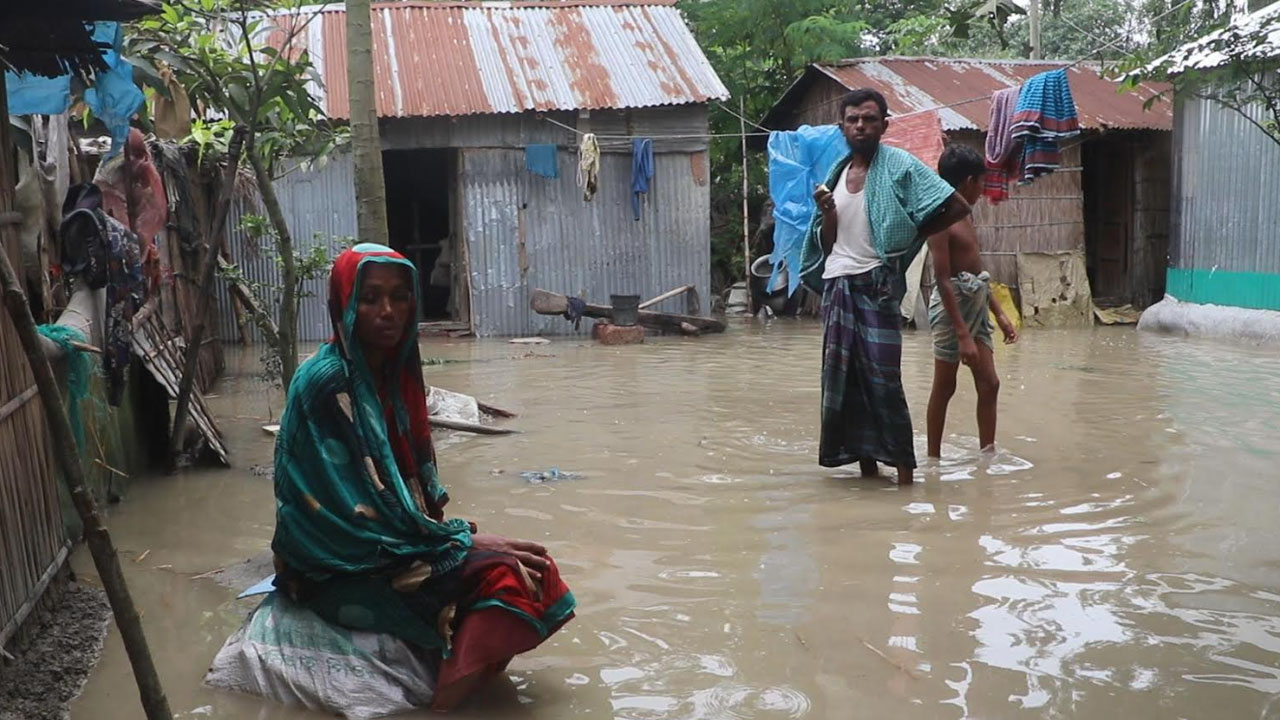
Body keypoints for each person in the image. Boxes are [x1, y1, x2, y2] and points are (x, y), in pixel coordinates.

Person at [270, 243, 575, 711]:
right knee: (514, 579)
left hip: (389, 542)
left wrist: (454, 538)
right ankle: (444, 709)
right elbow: (354, 518)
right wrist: (461, 543)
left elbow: (401, 497)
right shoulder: (330, 383)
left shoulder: (394, 370)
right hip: (334, 565)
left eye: (399, 296)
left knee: (532, 566)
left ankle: (455, 676)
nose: (387, 311)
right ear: (345, 304)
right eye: (370, 298)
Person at [804, 89, 972, 484]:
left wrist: (912, 240)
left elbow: (957, 206)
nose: (860, 125)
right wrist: (828, 213)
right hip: (838, 285)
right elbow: (828, 243)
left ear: (884, 125)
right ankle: (867, 473)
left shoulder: (899, 165)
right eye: (852, 119)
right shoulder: (836, 175)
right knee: (846, 384)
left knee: (884, 382)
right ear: (842, 126)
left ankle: (906, 478)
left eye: (868, 119)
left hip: (876, 284)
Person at [925, 146, 1018, 458]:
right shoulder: (940, 217)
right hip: (951, 309)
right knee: (945, 386)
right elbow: (942, 279)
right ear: (968, 182)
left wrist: (1000, 314)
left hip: (976, 302)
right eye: (981, 182)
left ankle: (987, 454)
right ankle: (933, 457)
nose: (983, 189)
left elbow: (976, 271)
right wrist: (963, 334)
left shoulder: (965, 212)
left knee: (990, 383)